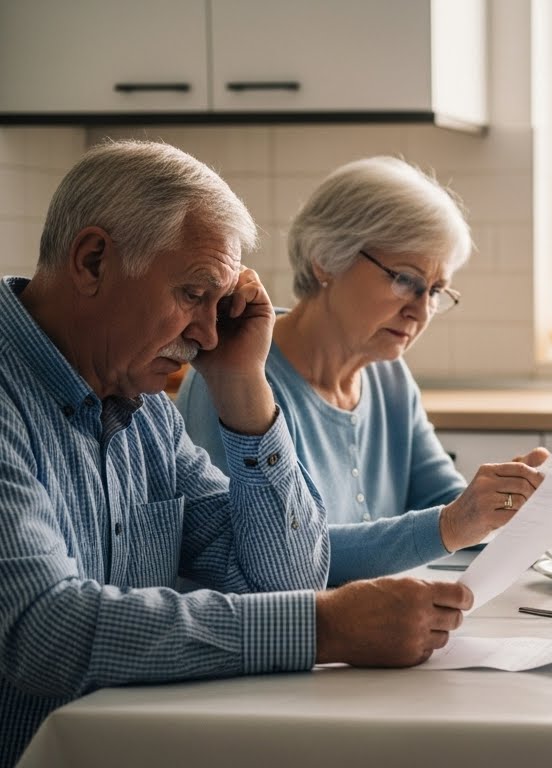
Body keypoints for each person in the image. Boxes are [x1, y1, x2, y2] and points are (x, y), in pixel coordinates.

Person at [0, 141, 509, 766]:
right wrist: (326, 626)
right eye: (192, 294)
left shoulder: (144, 410)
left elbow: (287, 576)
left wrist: (243, 389)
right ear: (93, 260)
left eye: (220, 305)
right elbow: (43, 631)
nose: (210, 336)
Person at [175, 156, 546, 586]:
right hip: (283, 637)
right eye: (406, 280)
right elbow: (268, 559)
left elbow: (443, 500)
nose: (421, 310)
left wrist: (503, 498)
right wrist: (453, 522)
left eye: (436, 291)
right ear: (325, 260)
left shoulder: (387, 375)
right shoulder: (236, 371)